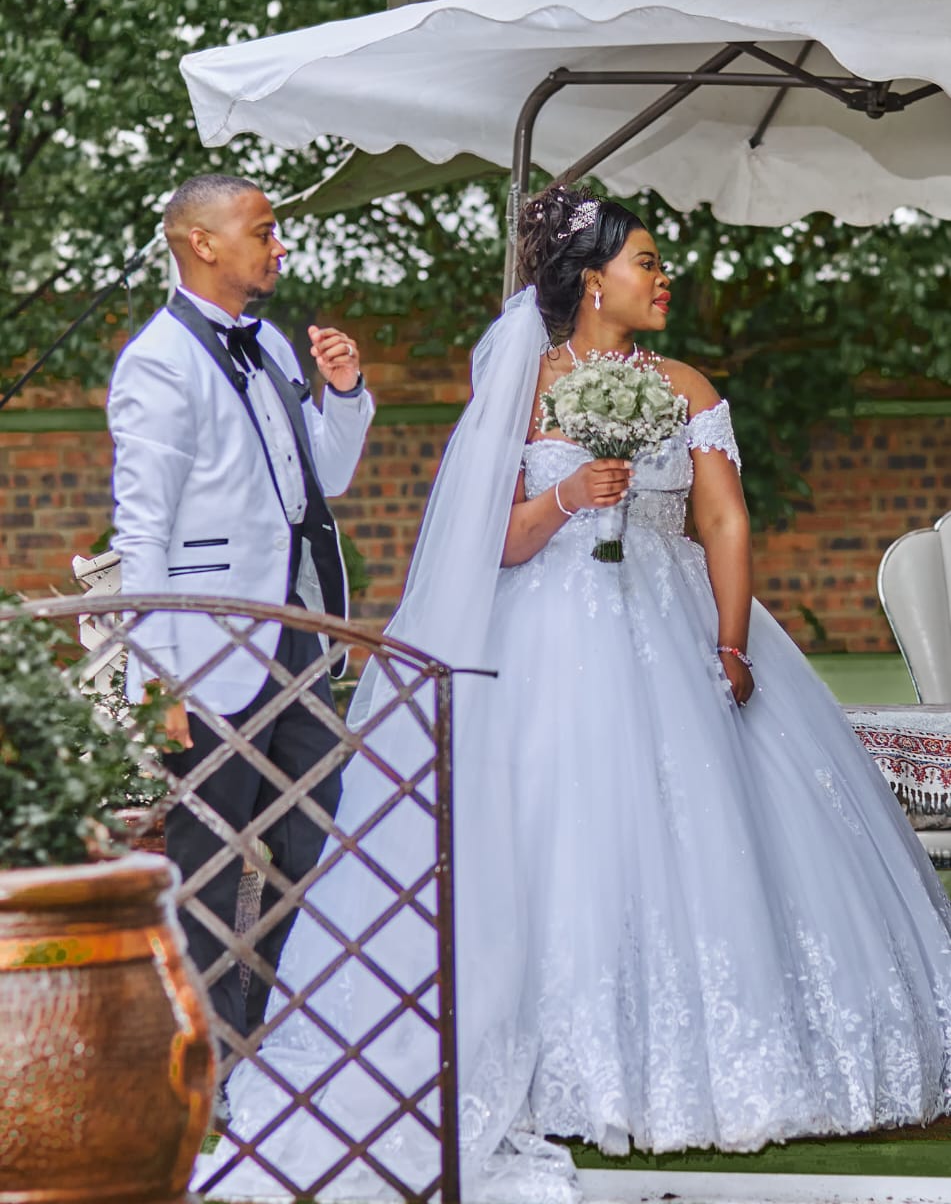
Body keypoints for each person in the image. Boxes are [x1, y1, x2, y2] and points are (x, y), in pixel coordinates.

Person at [196, 186, 951, 1202]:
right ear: (593, 281)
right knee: (556, 832)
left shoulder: (686, 386)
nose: (664, 279)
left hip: (677, 622)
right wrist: (566, 495)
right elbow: (490, 542)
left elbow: (723, 520)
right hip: (543, 640)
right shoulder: (524, 384)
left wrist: (731, 640)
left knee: (708, 837)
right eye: (648, 262)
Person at [107, 173, 374, 1075]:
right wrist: (156, 676)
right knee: (211, 857)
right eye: (262, 230)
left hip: (295, 630)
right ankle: (205, 1057)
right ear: (202, 242)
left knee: (321, 831)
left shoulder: (271, 345)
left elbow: (324, 477)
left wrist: (344, 392)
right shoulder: (157, 361)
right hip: (208, 648)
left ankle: (269, 1024)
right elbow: (141, 531)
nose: (278, 245)